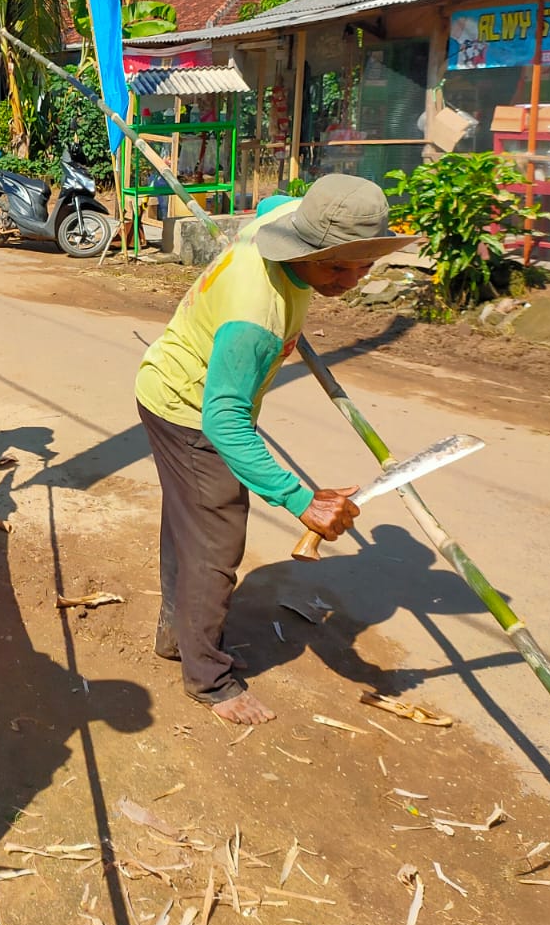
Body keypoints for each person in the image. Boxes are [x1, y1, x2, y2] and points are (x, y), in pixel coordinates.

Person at [132, 175, 418, 726]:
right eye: (336, 268)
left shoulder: (281, 217)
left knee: (189, 529)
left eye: (363, 266)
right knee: (215, 546)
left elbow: (269, 199)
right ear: (304, 247)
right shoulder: (254, 320)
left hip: (170, 385)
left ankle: (180, 639)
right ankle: (208, 678)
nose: (351, 281)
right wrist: (299, 499)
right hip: (191, 411)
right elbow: (224, 420)